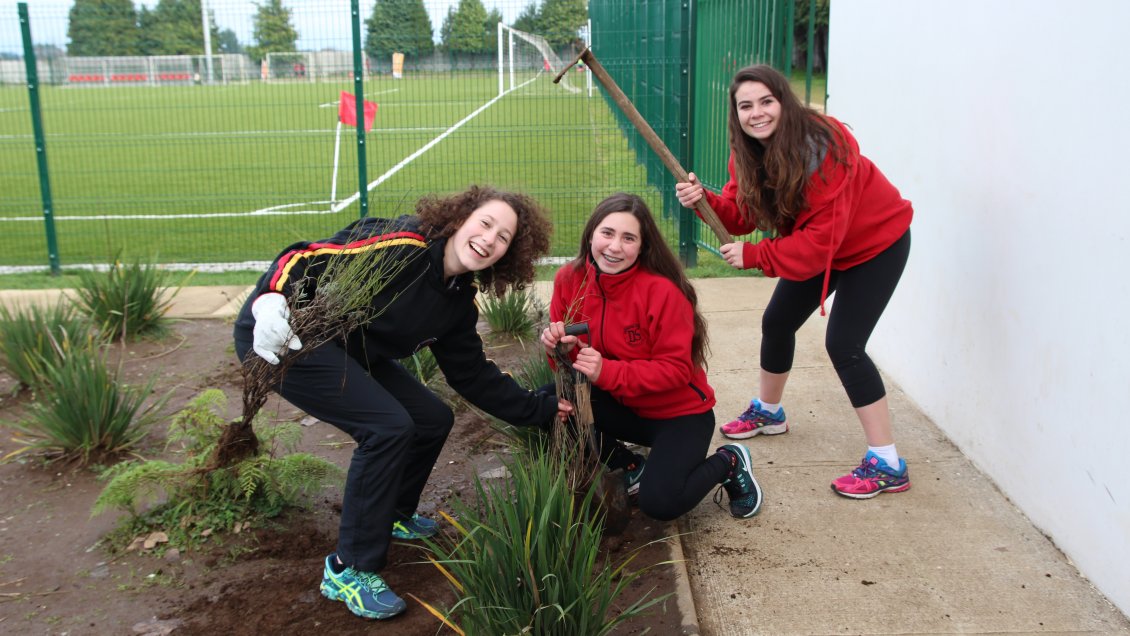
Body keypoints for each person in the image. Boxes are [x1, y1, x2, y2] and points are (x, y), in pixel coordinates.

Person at [233, 186, 570, 620]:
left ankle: (391, 513)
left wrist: (541, 410)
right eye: (485, 223)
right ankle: (349, 568)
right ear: (460, 219)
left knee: (431, 418)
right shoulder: (400, 245)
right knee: (387, 426)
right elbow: (303, 256)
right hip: (285, 336)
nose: (489, 239)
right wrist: (270, 302)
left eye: (503, 237)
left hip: (345, 345)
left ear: (508, 254)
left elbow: (472, 377)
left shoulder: (456, 301)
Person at [675, 64, 913, 500]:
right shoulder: (749, 152)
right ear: (737, 114)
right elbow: (741, 214)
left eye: (766, 101)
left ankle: (888, 462)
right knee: (778, 321)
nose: (757, 113)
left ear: (784, 102)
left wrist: (756, 256)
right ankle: (769, 412)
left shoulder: (825, 151)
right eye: (746, 106)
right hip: (826, 246)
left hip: (876, 244)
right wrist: (704, 201)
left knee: (844, 345)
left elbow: (816, 248)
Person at [539, 192, 763, 522]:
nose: (614, 247)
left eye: (628, 238)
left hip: (678, 415)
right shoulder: (569, 280)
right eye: (607, 233)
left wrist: (607, 372)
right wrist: (554, 348)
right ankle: (630, 466)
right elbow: (569, 368)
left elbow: (675, 371)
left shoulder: (662, 292)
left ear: (642, 247)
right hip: (624, 406)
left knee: (660, 504)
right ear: (591, 234)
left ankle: (729, 462)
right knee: (551, 399)